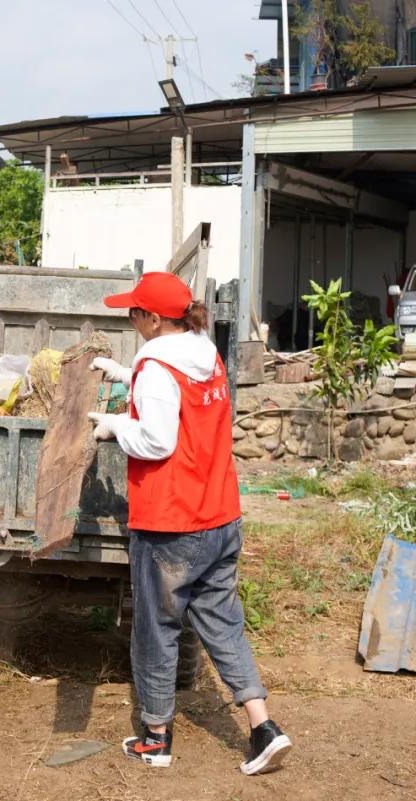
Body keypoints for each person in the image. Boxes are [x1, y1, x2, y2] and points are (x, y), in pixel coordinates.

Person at [87, 272, 291, 775]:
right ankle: (264, 727)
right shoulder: (206, 354)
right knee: (223, 623)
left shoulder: (158, 366)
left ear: (154, 319)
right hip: (219, 514)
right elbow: (181, 402)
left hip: (172, 523)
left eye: (134, 313)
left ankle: (155, 738)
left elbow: (157, 439)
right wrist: (124, 373)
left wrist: (115, 424)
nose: (130, 319)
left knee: (157, 628)